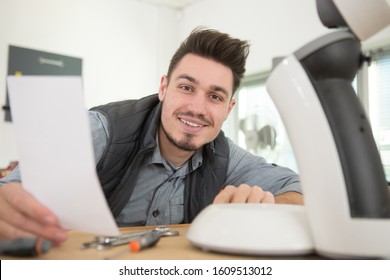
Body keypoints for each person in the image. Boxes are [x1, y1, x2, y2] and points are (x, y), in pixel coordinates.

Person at [0, 27, 302, 244]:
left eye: (215, 96)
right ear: (163, 88)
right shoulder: (100, 130)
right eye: (186, 87)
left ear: (228, 109)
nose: (197, 108)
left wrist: (269, 205)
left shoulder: (226, 156)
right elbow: (10, 194)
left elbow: (302, 191)